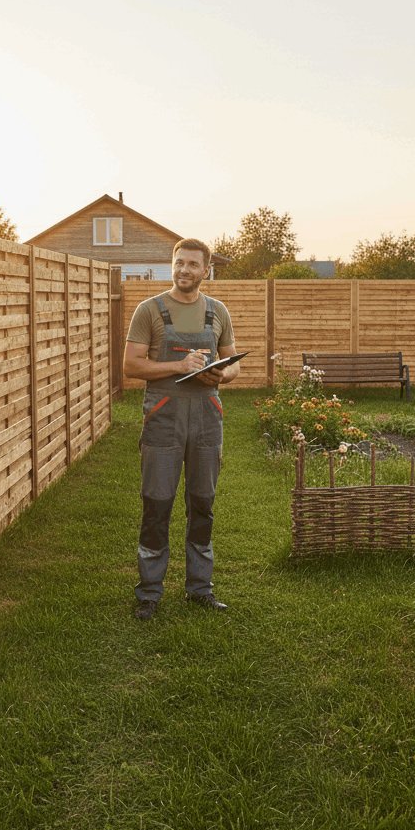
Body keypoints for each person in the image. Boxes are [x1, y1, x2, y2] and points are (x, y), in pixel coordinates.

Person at [123, 239, 241, 621]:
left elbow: (233, 363)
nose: (184, 270)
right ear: (171, 265)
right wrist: (177, 367)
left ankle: (200, 589)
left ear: (207, 270)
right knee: (157, 504)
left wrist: (223, 373)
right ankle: (150, 593)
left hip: (207, 418)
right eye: (179, 263)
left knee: (202, 503)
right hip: (163, 417)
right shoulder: (149, 311)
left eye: (193, 265)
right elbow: (131, 366)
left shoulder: (218, 311)